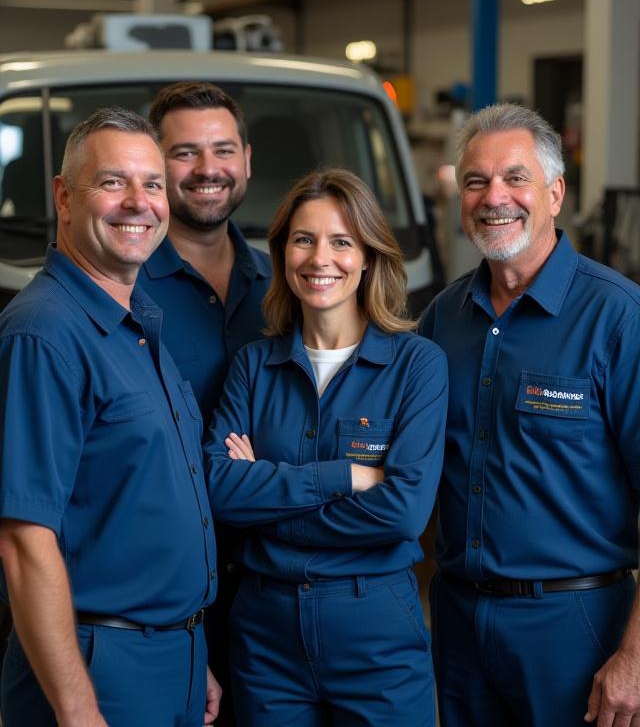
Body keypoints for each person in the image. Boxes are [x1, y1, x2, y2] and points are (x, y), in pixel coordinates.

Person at [0, 109, 360, 727]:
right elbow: (24, 539)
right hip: (97, 666)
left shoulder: (138, 323)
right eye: (113, 183)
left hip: (171, 653)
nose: (139, 203)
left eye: (152, 185)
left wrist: (188, 652)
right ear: (63, 197)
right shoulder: (46, 334)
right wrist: (77, 705)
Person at [419, 102, 640, 727]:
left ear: (555, 192)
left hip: (577, 629)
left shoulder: (618, 318)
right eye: (475, 181)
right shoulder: (441, 320)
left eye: (515, 178)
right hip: (459, 624)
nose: (495, 197)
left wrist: (637, 659)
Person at [206, 167, 448, 726]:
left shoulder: (417, 366)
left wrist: (264, 495)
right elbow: (218, 491)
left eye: (342, 241)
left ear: (368, 256)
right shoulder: (252, 367)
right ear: (282, 253)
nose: (321, 258)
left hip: (376, 634)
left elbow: (405, 512)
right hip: (266, 637)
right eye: (303, 239)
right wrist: (348, 477)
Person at [139, 81, 271, 724]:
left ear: (247, 159)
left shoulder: (290, 286)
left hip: (271, 583)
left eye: (222, 149)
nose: (207, 169)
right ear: (153, 165)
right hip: (159, 596)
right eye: (184, 153)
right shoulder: (123, 289)